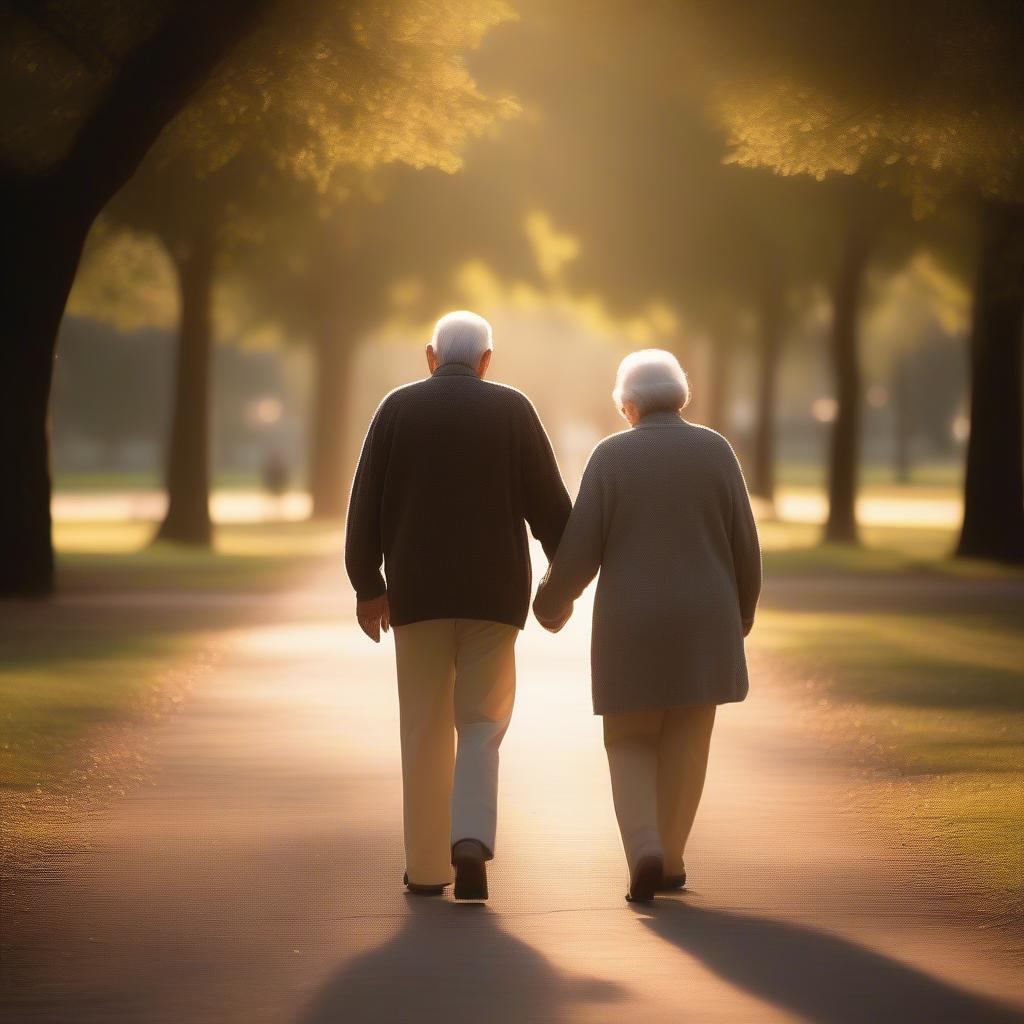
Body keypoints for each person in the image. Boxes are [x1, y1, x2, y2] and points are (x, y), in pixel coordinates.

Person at [345, 310, 570, 900]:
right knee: (480, 725)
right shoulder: (513, 410)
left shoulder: (396, 409)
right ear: (487, 361)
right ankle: (470, 838)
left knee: (423, 729)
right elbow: (552, 510)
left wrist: (367, 585)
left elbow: (364, 504)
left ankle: (426, 869)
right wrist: (561, 583)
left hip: (416, 596)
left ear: (430, 356)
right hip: (494, 599)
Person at [533, 349, 761, 903]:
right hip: (704, 619)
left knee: (630, 739)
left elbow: (581, 548)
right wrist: (741, 616)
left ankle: (644, 849)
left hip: (630, 624)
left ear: (627, 406)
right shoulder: (716, 451)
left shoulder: (610, 457)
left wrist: (550, 603)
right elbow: (744, 546)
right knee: (688, 736)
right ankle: (673, 857)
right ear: (680, 398)